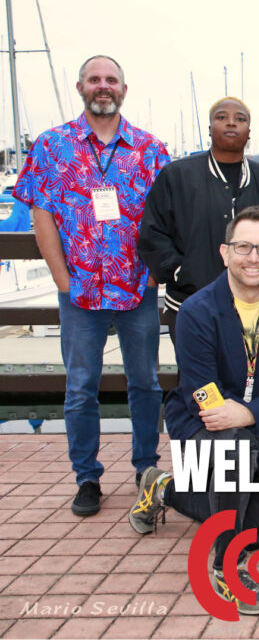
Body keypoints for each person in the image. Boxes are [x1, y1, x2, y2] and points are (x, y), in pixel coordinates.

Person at [129, 206, 259, 616]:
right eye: (244, 246)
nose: (254, 257)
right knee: (234, 449)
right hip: (199, 418)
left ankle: (162, 488)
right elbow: (202, 392)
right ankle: (225, 569)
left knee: (255, 534)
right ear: (224, 252)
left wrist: (254, 414)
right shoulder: (196, 310)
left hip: (252, 420)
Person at [13, 55, 168, 516]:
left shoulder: (149, 149)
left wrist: (154, 275)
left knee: (146, 383)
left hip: (135, 290)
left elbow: (165, 217)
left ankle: (146, 469)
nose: (104, 86)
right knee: (81, 387)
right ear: (80, 86)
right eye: (95, 79)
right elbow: (41, 214)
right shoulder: (52, 145)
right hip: (79, 292)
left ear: (124, 88)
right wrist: (61, 280)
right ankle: (87, 477)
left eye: (112, 80)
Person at [139, 97, 259, 342]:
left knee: (254, 378)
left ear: (249, 132)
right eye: (222, 117)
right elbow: (152, 234)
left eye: (240, 119)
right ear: (210, 128)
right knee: (199, 379)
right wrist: (180, 272)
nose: (231, 123)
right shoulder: (176, 176)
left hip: (257, 305)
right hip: (190, 304)